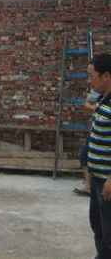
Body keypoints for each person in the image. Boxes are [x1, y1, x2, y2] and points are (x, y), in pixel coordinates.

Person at [86, 53, 111, 259]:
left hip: (107, 182)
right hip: (97, 177)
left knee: (109, 235)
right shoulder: (104, 99)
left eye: (92, 75)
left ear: (106, 76)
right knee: (99, 227)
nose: (89, 80)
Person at [75, 63, 101, 196]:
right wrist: (97, 108)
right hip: (95, 129)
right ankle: (88, 185)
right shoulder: (96, 90)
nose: (89, 80)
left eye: (91, 75)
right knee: (85, 155)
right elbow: (86, 105)